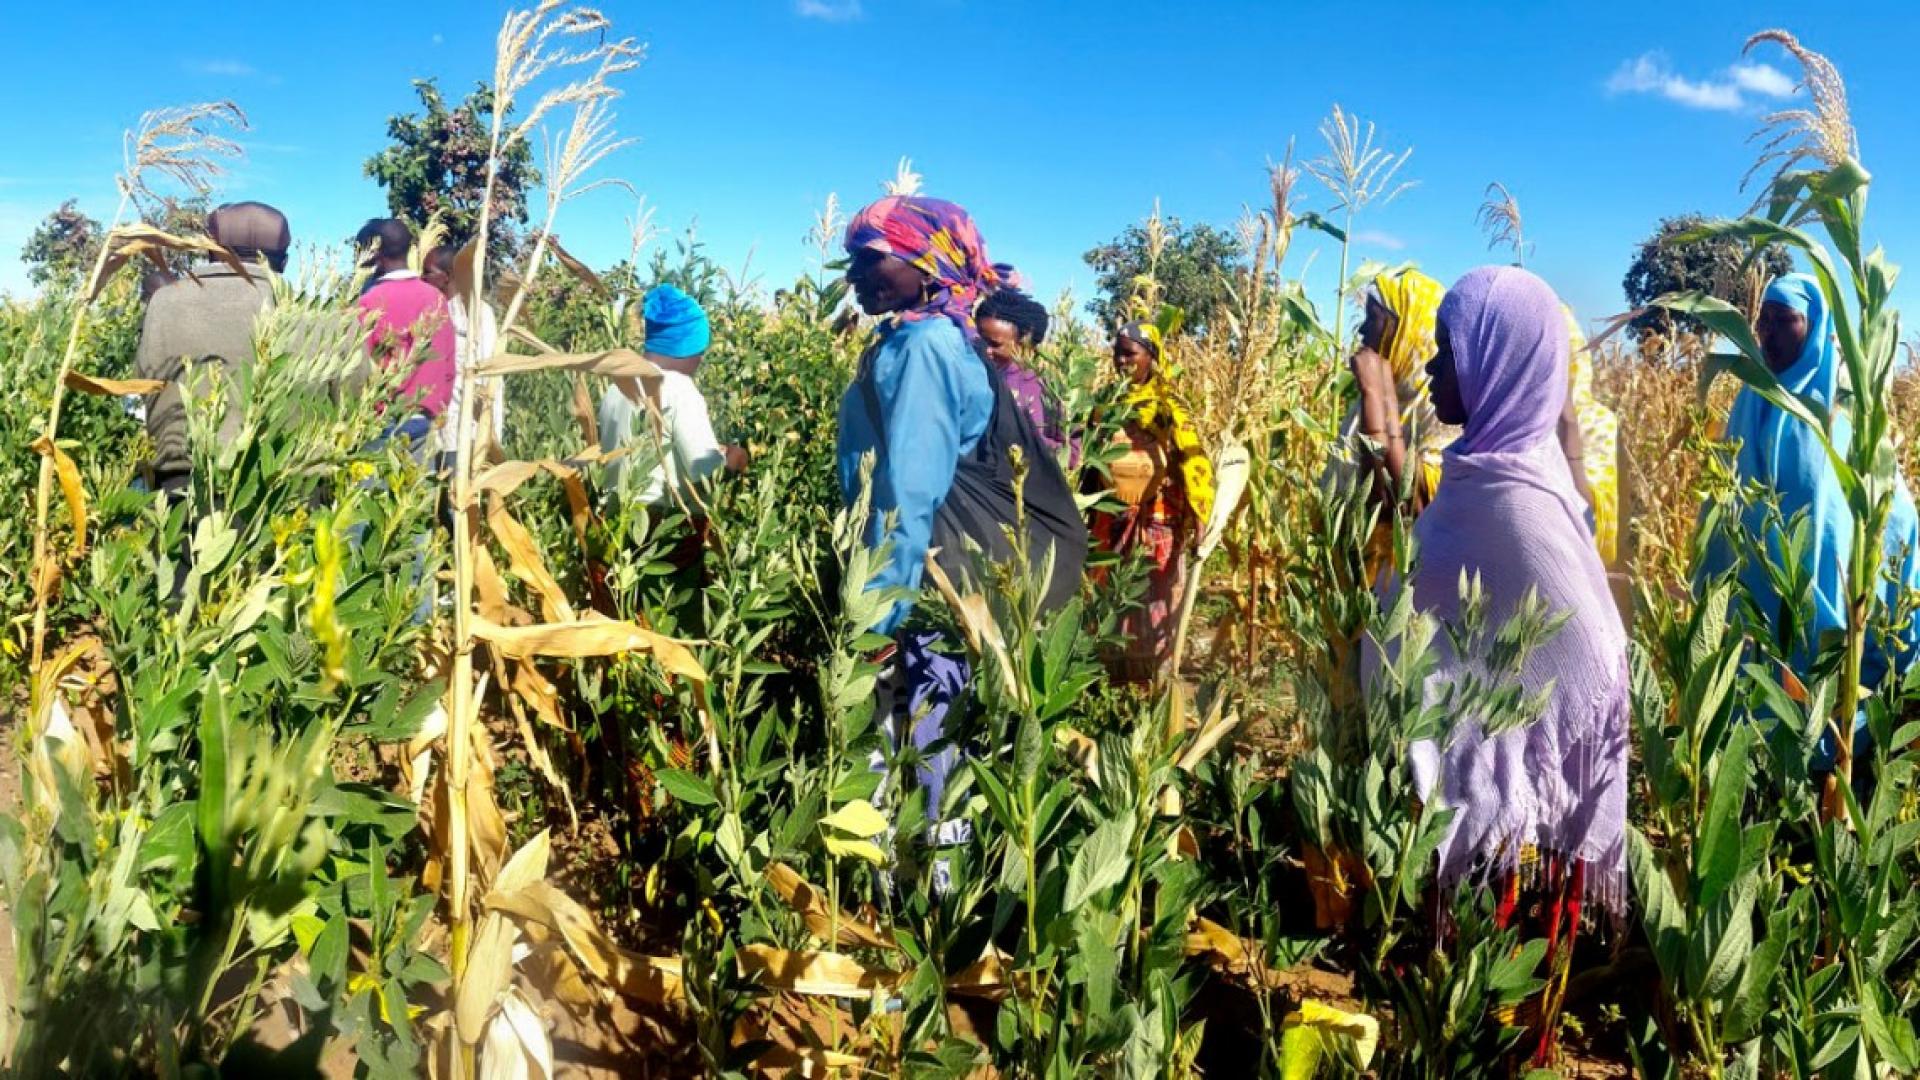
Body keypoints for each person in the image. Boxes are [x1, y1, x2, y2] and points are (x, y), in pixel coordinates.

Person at [1389, 266, 1629, 1064]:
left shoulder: (1521, 503)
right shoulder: (1472, 479)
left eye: (1447, 352)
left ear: (1497, 363)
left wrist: (1526, 751)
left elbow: (1598, 654)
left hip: (1515, 832)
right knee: (1459, 1004)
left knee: (1498, 1005)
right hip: (1471, 805)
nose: (1428, 370)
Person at [837, 195, 1085, 854]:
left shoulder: (927, 347)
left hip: (937, 582)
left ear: (926, 263)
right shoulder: (929, 336)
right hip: (947, 573)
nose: (856, 273)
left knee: (926, 754)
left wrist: (876, 618)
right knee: (940, 748)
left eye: (872, 257)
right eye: (851, 258)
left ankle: (926, 911)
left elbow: (908, 489)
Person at [1706, 272, 1920, 772]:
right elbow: (1722, 503)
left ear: (1817, 327)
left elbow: (1882, 513)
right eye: (1764, 322)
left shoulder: (1840, 413)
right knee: (1757, 737)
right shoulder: (1750, 400)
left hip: (1829, 620)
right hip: (1757, 613)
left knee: (1822, 735)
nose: (1770, 335)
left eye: (1787, 321)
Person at [134, 201, 289, 493]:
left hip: (182, 488)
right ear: (283, 262)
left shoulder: (165, 303)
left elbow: (145, 380)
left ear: (209, 251)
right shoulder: (318, 315)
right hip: (289, 489)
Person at [1095, 318, 1214, 683]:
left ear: (1151, 356)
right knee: (1112, 590)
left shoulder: (1167, 404)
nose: (1121, 361)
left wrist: (1200, 510)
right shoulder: (1105, 402)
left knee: (1153, 594)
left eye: (1129, 353)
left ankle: (1156, 681)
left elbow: (1194, 459)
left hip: (1156, 518)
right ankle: (1113, 679)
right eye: (1117, 353)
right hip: (1112, 514)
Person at [597, 284, 748, 505]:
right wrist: (735, 458)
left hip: (613, 516)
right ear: (685, 349)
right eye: (699, 352)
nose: (700, 360)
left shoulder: (617, 386)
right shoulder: (679, 388)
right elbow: (706, 474)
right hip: (661, 525)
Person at [1341, 268, 1447, 509]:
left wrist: (1375, 397)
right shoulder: (1382, 392)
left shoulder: (1440, 407)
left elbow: (1405, 505)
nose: (1362, 329)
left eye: (1372, 318)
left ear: (1405, 333)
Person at [355, 218, 455, 457]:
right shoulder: (436, 298)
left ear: (373, 254)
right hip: (424, 419)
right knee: (413, 491)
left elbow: (356, 369)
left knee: (372, 492)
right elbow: (448, 362)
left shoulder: (367, 303)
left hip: (379, 421)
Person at [423, 244, 504, 460]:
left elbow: (488, 372)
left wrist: (487, 429)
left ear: (447, 276)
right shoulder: (435, 313)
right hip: (441, 433)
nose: (422, 278)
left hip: (469, 432)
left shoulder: (477, 312)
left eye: (428, 273)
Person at [974, 288, 1066, 452]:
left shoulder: (1049, 390)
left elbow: (1069, 452)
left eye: (995, 344)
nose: (986, 350)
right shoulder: (973, 376)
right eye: (981, 340)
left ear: (1023, 343)